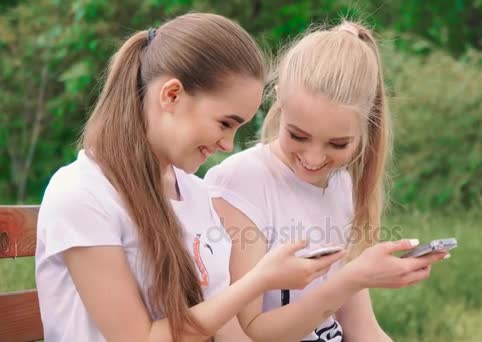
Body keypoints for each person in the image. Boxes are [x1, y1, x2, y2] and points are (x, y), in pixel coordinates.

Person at [34, 13, 343, 342]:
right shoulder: (83, 194)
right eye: (225, 123)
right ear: (171, 95)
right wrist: (260, 281)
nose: (227, 144)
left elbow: (228, 333)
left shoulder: (197, 195)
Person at [206, 21, 450, 342]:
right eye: (298, 135)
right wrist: (351, 279)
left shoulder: (340, 187)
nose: (314, 158)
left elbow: (362, 329)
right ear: (278, 100)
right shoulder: (240, 182)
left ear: (366, 127)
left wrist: (354, 279)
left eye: (338, 144)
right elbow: (247, 331)